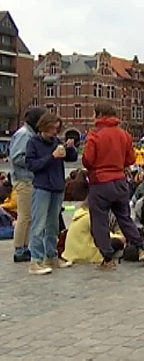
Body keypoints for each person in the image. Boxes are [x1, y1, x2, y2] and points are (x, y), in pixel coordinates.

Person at [82, 103, 144, 270]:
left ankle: (107, 258)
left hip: (100, 182)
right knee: (125, 218)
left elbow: (87, 160)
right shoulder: (124, 135)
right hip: (120, 181)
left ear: (99, 115)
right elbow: (130, 160)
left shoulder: (95, 134)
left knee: (99, 221)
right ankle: (141, 248)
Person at [25, 113, 78, 275]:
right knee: (39, 224)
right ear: (44, 127)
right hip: (42, 187)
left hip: (57, 187)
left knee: (53, 225)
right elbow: (31, 165)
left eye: (57, 129)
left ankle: (51, 256)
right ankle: (35, 260)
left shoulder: (56, 141)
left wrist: (70, 148)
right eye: (52, 129)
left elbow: (72, 158)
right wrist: (51, 156)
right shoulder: (33, 143)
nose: (55, 132)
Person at [62, 170, 125, 264]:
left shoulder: (81, 214)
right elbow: (104, 234)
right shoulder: (90, 217)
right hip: (83, 255)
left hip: (71, 253)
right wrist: (120, 237)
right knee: (115, 244)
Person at [8, 106, 46, 263]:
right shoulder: (24, 135)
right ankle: (19, 249)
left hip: (28, 179)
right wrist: (34, 161)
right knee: (24, 216)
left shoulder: (29, 134)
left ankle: (24, 246)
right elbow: (17, 157)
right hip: (23, 179)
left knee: (28, 216)